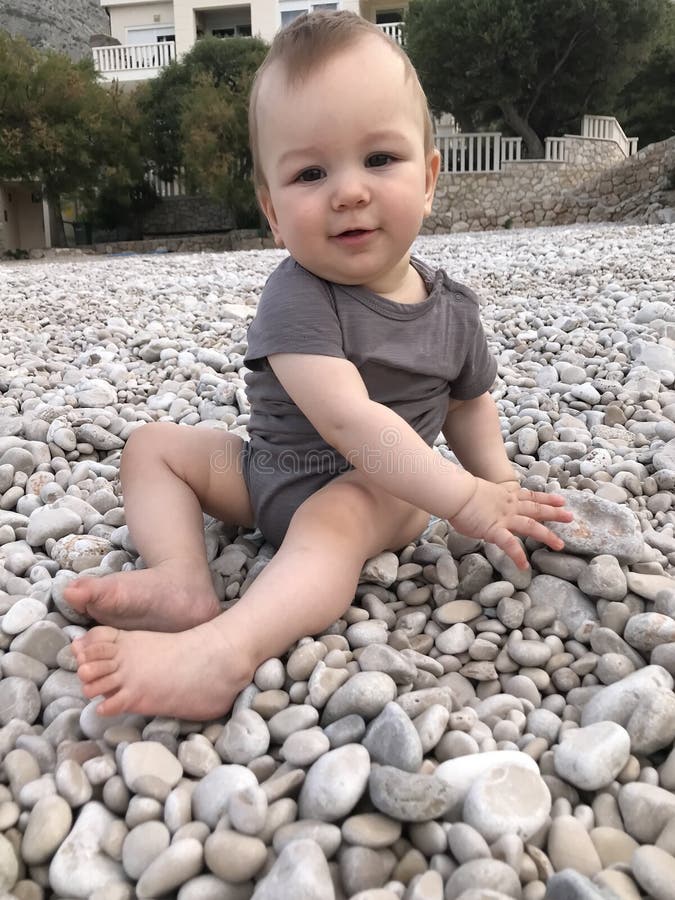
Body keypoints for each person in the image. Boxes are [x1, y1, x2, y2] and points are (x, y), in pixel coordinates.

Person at [68, 11, 572, 720]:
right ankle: (181, 578)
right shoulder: (297, 295)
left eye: (378, 160)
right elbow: (342, 415)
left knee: (333, 517)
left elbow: (466, 405)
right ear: (273, 213)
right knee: (155, 446)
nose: (348, 191)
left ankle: (224, 652)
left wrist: (494, 490)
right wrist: (468, 498)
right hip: (265, 475)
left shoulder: (452, 310)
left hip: (381, 492)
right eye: (311, 172)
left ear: (429, 178)